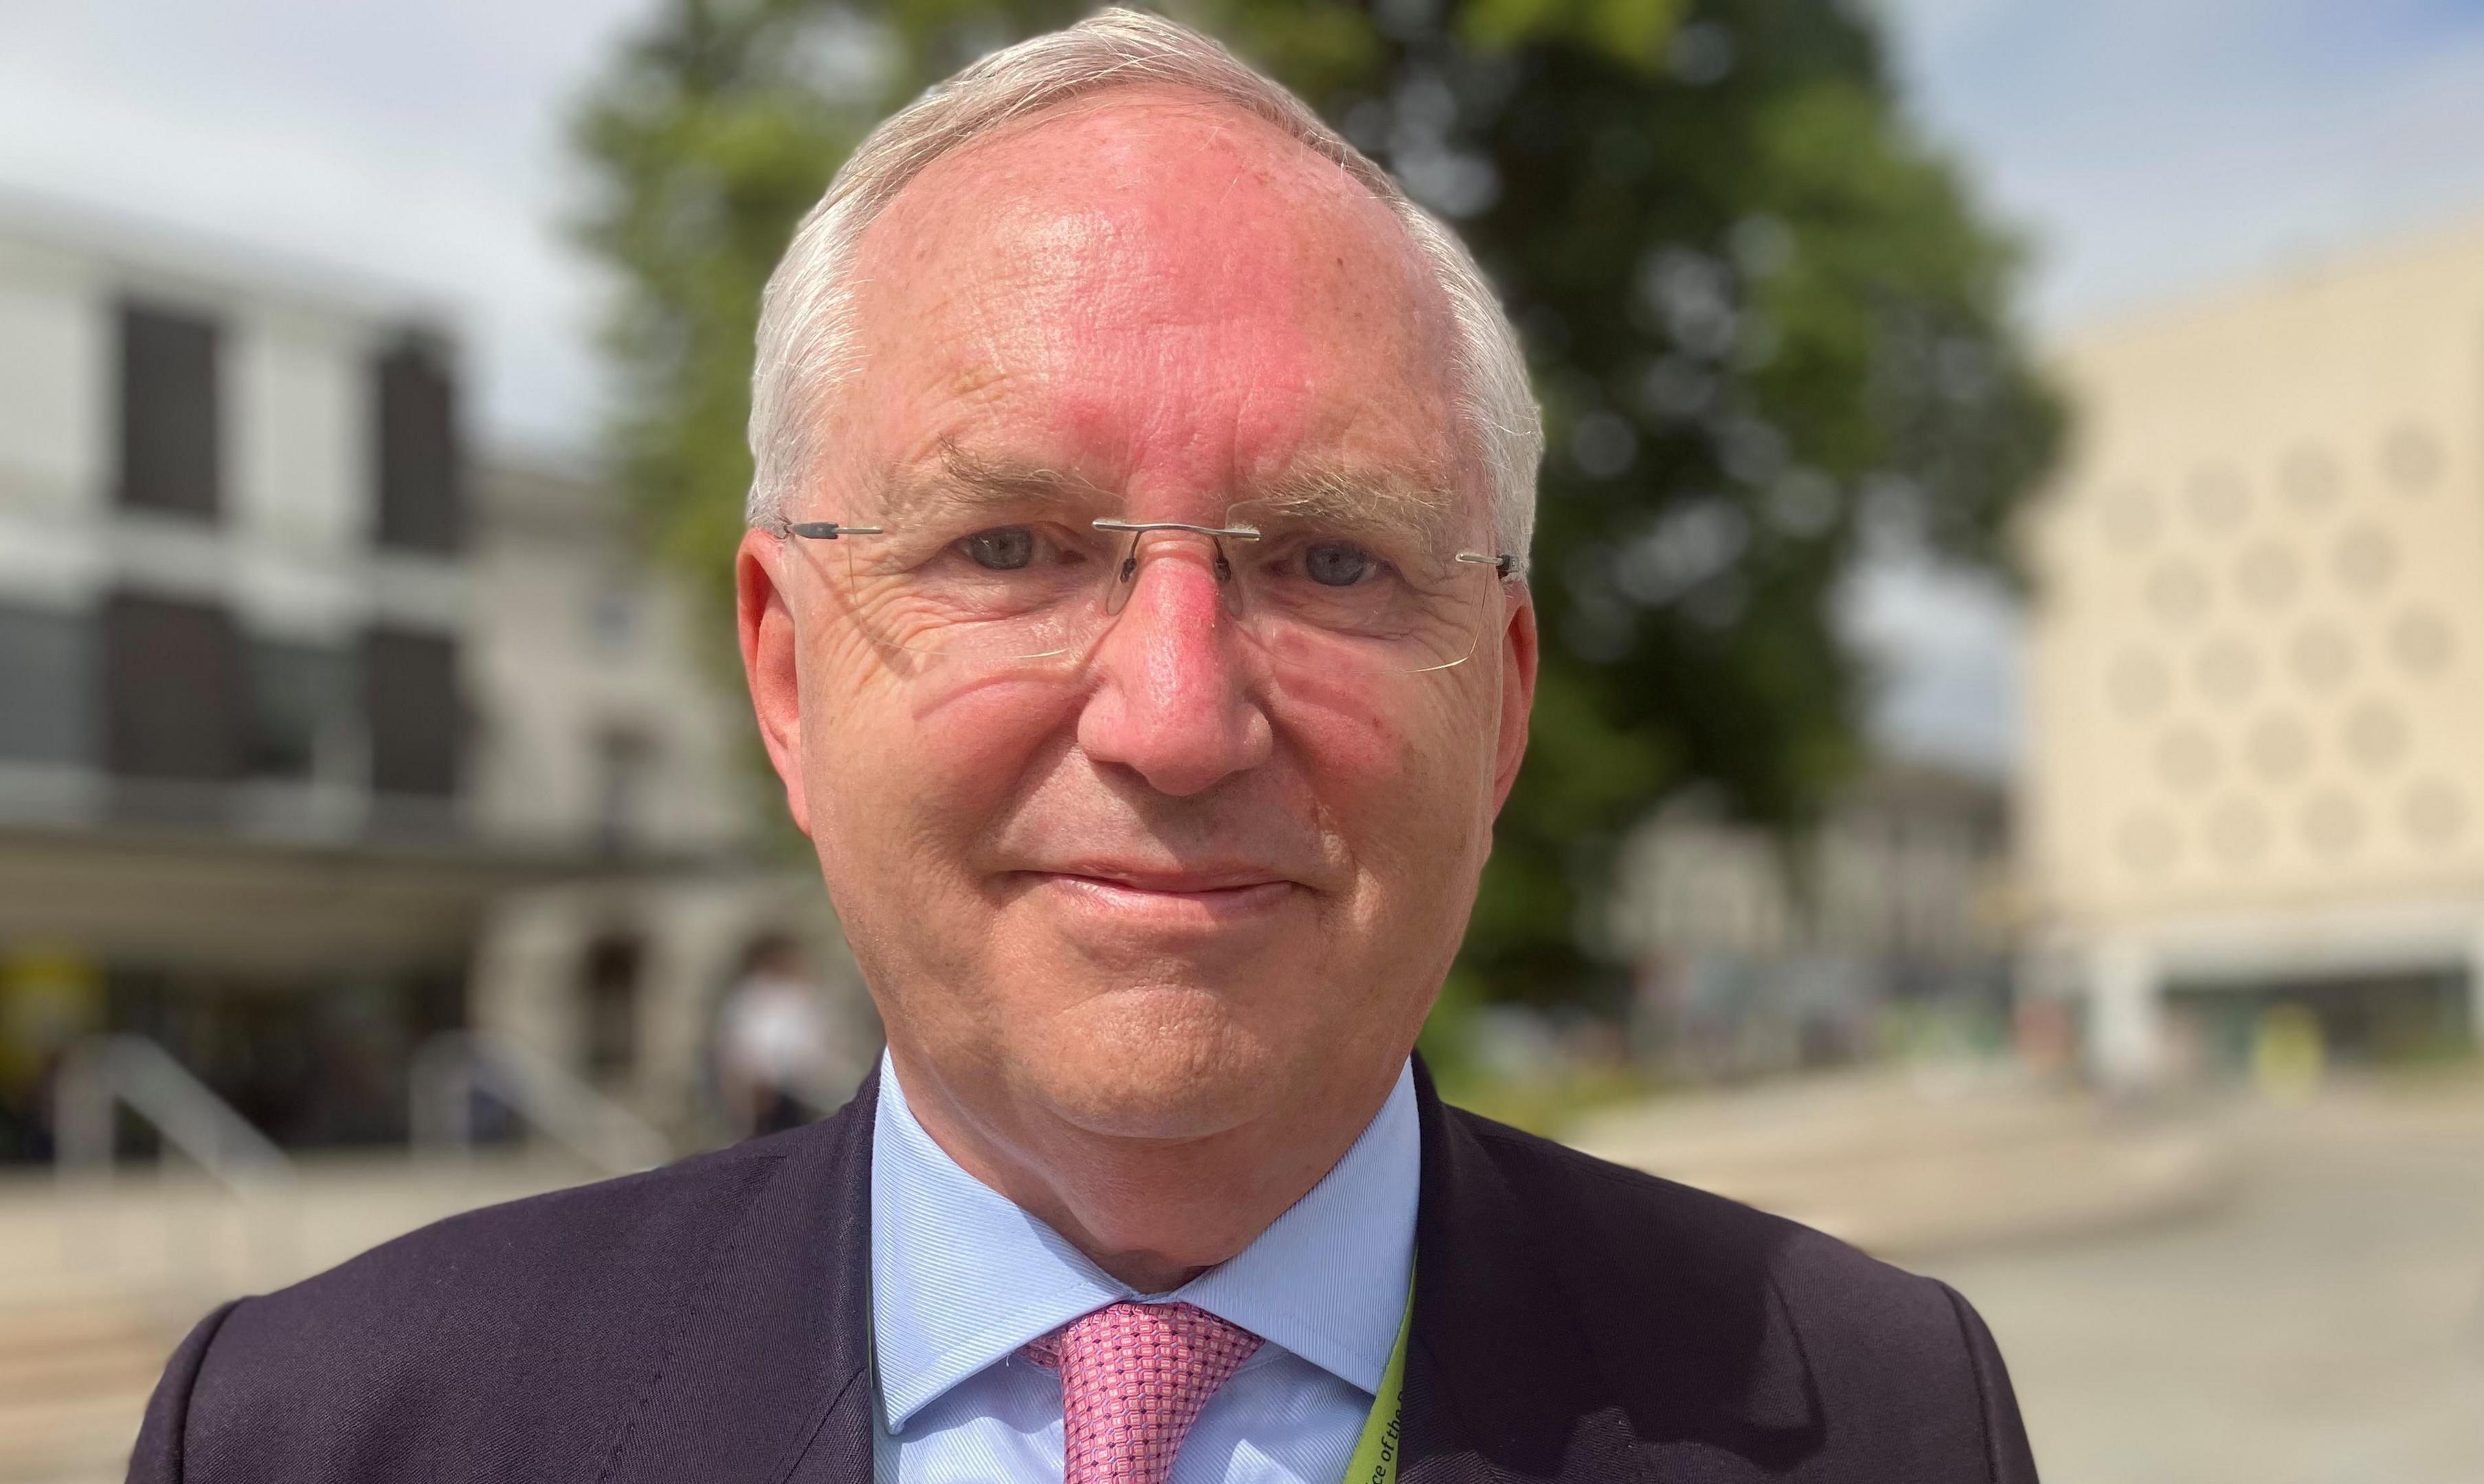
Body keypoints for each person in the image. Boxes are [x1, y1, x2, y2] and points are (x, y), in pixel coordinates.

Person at [129, 12, 2035, 1483]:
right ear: (786, 678)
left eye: (1334, 557)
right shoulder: (325, 1438)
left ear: (1504, 699)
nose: (1177, 714)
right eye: (1012, 548)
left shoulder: (1878, 1415)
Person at [716, 933, 836, 1138]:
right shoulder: (755, 995)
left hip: (801, 1087)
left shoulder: (801, 994)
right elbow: (748, 1045)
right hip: (767, 1088)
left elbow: (811, 1042)